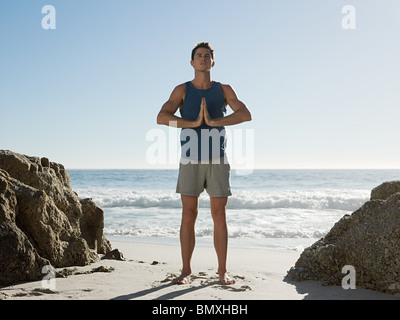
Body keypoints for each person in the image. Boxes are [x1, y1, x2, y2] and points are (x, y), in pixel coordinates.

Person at [156, 42, 251, 285]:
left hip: (217, 160)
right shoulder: (182, 90)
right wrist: (192, 123)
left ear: (212, 62)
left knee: (219, 215)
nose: (203, 59)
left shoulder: (224, 89)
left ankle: (222, 272)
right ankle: (186, 271)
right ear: (192, 62)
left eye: (207, 56)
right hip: (189, 160)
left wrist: (215, 120)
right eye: (198, 56)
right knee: (189, 214)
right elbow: (161, 117)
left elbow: (245, 114)